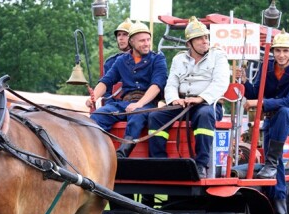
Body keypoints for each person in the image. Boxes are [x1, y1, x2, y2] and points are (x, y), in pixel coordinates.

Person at [238, 29, 289, 214]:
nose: (281, 55)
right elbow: (254, 93)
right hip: (271, 121)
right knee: (275, 163)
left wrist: (258, 102)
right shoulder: (266, 66)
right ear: (273, 51)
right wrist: (245, 82)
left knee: (285, 112)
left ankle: (269, 165)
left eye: (285, 51)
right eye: (278, 50)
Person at [148, 16, 230, 178]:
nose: (205, 41)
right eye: (199, 38)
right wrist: (173, 100)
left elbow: (221, 83)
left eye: (206, 37)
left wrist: (200, 98)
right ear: (189, 44)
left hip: (208, 104)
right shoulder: (179, 59)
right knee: (155, 116)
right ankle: (159, 162)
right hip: (183, 104)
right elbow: (171, 83)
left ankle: (201, 165)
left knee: (204, 115)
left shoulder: (218, 56)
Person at [86, 21, 168, 158]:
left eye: (148, 40)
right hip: (125, 103)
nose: (147, 43)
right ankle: (96, 153)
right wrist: (93, 97)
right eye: (142, 40)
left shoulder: (158, 59)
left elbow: (157, 85)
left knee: (136, 115)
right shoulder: (121, 60)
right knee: (99, 115)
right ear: (132, 42)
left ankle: (122, 154)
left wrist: (139, 104)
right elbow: (106, 81)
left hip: (146, 105)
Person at [103, 18, 133, 100]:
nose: (120, 38)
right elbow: (106, 92)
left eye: (125, 34)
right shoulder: (110, 62)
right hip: (115, 106)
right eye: (119, 35)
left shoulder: (146, 60)